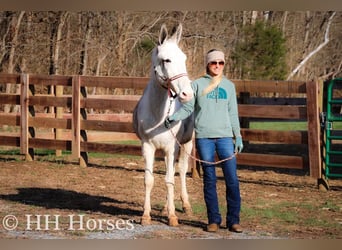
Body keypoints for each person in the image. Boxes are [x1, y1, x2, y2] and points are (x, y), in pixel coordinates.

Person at [164, 49, 244, 233]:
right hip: (204, 139)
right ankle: (213, 220)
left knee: (232, 179)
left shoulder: (229, 86)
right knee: (209, 179)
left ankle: (234, 220)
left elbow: (233, 113)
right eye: (213, 62)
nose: (217, 66)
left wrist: (237, 135)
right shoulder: (197, 85)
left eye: (220, 63)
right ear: (207, 64)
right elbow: (188, 108)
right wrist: (174, 117)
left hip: (225, 138)